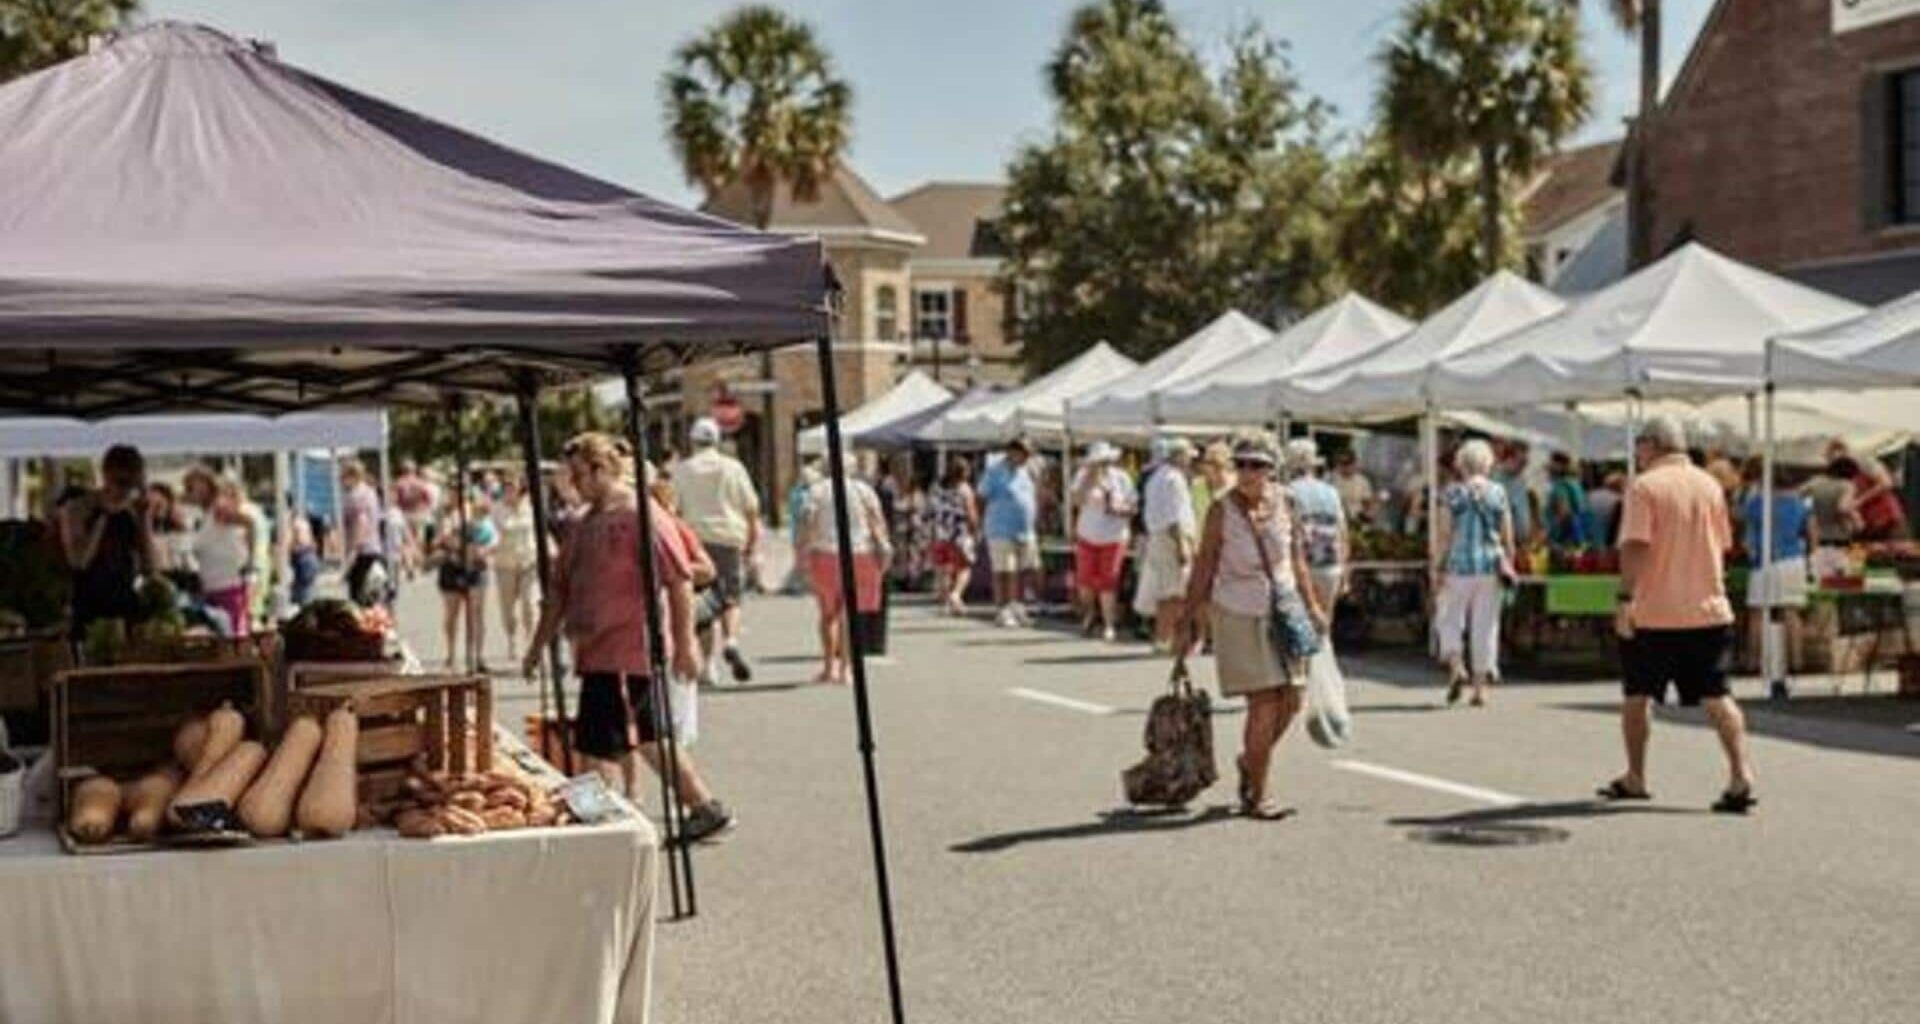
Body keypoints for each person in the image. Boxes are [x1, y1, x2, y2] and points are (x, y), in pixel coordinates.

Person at [521, 433, 733, 841]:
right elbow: (559, 592)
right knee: (649, 737)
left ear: (602, 470)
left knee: (597, 747)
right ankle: (704, 807)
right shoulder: (583, 525)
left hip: (625, 650)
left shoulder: (642, 516)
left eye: (580, 476)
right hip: (597, 650)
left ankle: (598, 824)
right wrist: (536, 646)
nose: (574, 486)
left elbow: (680, 579)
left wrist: (685, 643)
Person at [1601, 415, 1757, 813]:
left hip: (1654, 611)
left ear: (1652, 445)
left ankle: (1636, 775)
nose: (1636, 451)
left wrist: (1624, 598)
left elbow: (1635, 546)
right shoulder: (1710, 486)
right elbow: (1722, 544)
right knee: (1717, 695)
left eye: (1639, 443)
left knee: (1637, 695)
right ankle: (1741, 774)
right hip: (1708, 608)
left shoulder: (1645, 486)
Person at [1177, 435, 1329, 820]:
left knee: (1292, 700)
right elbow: (1204, 565)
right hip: (1239, 612)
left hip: (1285, 608)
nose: (1247, 472)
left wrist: (1312, 605)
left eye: (1256, 465)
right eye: (1241, 464)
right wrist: (1188, 617)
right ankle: (1258, 794)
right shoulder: (1220, 510)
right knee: (1263, 702)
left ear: (1272, 469)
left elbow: (1297, 560)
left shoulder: (1286, 502)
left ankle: (1250, 761)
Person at [671, 417, 762, 685]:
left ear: (692, 440)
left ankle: (707, 665)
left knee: (704, 603)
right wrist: (752, 544)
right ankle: (731, 640)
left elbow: (674, 509)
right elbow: (751, 508)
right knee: (730, 598)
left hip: (696, 540)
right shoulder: (734, 468)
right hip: (729, 538)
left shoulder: (683, 470)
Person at [1430, 440, 1516, 708]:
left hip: (1458, 566)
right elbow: (1507, 534)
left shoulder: (1452, 493)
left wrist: (1437, 566)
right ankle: (1480, 689)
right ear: (1487, 464)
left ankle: (1456, 666)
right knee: (1486, 625)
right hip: (1490, 566)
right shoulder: (1498, 492)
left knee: (1448, 618)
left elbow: (1444, 534)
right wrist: (1510, 561)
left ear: (1461, 465)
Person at [803, 463, 892, 685]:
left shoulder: (817, 490)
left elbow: (808, 519)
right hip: (860, 553)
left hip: (825, 552)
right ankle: (846, 669)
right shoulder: (864, 490)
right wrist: (884, 547)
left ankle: (828, 667)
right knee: (849, 614)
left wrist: (803, 550)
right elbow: (877, 520)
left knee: (827, 615)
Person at [58, 444, 158, 632]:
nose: (125, 491)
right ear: (106, 476)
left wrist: (145, 519)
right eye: (120, 482)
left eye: (132, 484)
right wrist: (104, 515)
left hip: (124, 604)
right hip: (88, 603)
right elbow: (79, 561)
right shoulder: (78, 507)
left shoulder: (132, 512)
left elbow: (150, 567)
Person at [1738, 457, 1815, 675]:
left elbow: (1744, 530)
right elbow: (1811, 534)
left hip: (1764, 561)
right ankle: (1797, 663)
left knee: (1758, 614)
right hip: (1793, 561)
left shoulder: (1756, 503)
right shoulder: (1801, 502)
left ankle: (1754, 663)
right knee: (1792, 613)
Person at [1135, 437, 1197, 651]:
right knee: (1173, 592)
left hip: (1159, 537)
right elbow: (1174, 517)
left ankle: (1165, 637)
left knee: (1167, 591)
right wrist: (1182, 545)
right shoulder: (1174, 479)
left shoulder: (1156, 477)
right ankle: (1165, 638)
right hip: (1170, 539)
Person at [1072, 442, 1135, 641]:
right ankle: (1090, 614)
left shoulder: (1121, 478)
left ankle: (1109, 623)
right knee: (1085, 580)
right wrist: (1088, 481)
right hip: (1087, 534)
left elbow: (1133, 505)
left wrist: (1119, 509)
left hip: (1114, 535)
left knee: (1109, 580)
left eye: (1105, 462)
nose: (1102, 466)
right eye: (1098, 462)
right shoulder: (1082, 476)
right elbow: (1075, 501)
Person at [1284, 439, 1348, 628]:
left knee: (1299, 626)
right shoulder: (1331, 492)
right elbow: (1342, 532)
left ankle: (1307, 659)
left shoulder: (1288, 492)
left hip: (1298, 565)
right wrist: (1344, 568)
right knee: (1324, 623)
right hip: (1330, 564)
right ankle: (1324, 656)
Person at [979, 436, 1040, 628]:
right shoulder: (994, 472)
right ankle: (1002, 609)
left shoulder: (1026, 472)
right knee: (1004, 570)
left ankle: (1017, 605)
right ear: (1012, 452)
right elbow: (981, 496)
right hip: (1000, 528)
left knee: (1024, 570)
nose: (1026, 458)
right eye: (1023, 454)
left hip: (1025, 529)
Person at [189, 473, 257, 637]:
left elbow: (249, 523)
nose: (194, 492)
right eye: (191, 488)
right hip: (211, 587)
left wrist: (250, 559)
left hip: (227, 586)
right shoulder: (203, 516)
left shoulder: (219, 509)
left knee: (230, 637)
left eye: (199, 487)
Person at [435, 496, 497, 672]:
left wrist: (483, 550)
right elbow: (441, 539)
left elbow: (491, 537)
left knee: (476, 614)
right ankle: (451, 655)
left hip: (475, 567)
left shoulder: (477, 512)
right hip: (452, 567)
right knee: (452, 614)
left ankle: (477, 656)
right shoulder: (445, 514)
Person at [493, 475, 542, 664]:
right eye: (506, 489)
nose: (509, 492)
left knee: (529, 605)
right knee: (508, 610)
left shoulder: (530, 508)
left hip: (528, 562)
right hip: (505, 564)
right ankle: (511, 638)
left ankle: (530, 644)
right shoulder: (497, 510)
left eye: (512, 488)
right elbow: (494, 532)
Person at [927, 457, 980, 615]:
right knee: (964, 567)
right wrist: (976, 529)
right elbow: (971, 512)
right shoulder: (964, 489)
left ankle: (944, 603)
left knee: (944, 568)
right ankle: (956, 594)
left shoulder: (936, 487)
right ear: (964, 472)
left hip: (940, 532)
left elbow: (930, 510)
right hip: (959, 533)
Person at [339, 460, 389, 607]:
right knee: (372, 597)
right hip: (374, 548)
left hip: (362, 552)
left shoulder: (356, 496)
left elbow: (361, 523)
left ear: (352, 476)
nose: (340, 481)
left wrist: (352, 553)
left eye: (343, 477)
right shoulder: (370, 492)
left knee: (359, 598)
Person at [1492, 441, 1537, 548]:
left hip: (1520, 543)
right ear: (1509, 458)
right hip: (1505, 543)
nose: (1523, 467)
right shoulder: (1497, 480)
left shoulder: (1520, 480)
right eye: (1521, 463)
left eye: (1525, 464)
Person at [1544, 451, 1591, 547]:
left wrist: (1549, 537)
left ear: (1559, 465)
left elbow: (1564, 514)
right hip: (1580, 537)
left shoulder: (1559, 487)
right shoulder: (1576, 484)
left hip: (1564, 542)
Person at [1331, 449, 1375, 525]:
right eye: (1342, 463)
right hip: (1335, 520)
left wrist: (1369, 515)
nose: (1345, 466)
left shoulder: (1362, 481)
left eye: (1348, 463)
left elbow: (1368, 505)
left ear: (1354, 463)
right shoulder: (1330, 480)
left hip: (1356, 522)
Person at [1589, 471, 1626, 545]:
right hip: (1606, 540)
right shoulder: (1619, 500)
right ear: (1619, 485)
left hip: (1587, 537)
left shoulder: (1591, 494)